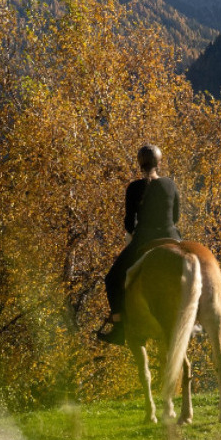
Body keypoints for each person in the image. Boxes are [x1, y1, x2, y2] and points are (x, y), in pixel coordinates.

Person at [97, 144, 182, 345]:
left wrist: (136, 232)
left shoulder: (134, 188)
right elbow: (176, 216)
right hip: (173, 239)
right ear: (159, 163)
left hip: (145, 240)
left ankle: (118, 329)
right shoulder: (170, 185)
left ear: (139, 164)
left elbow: (129, 222)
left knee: (111, 279)